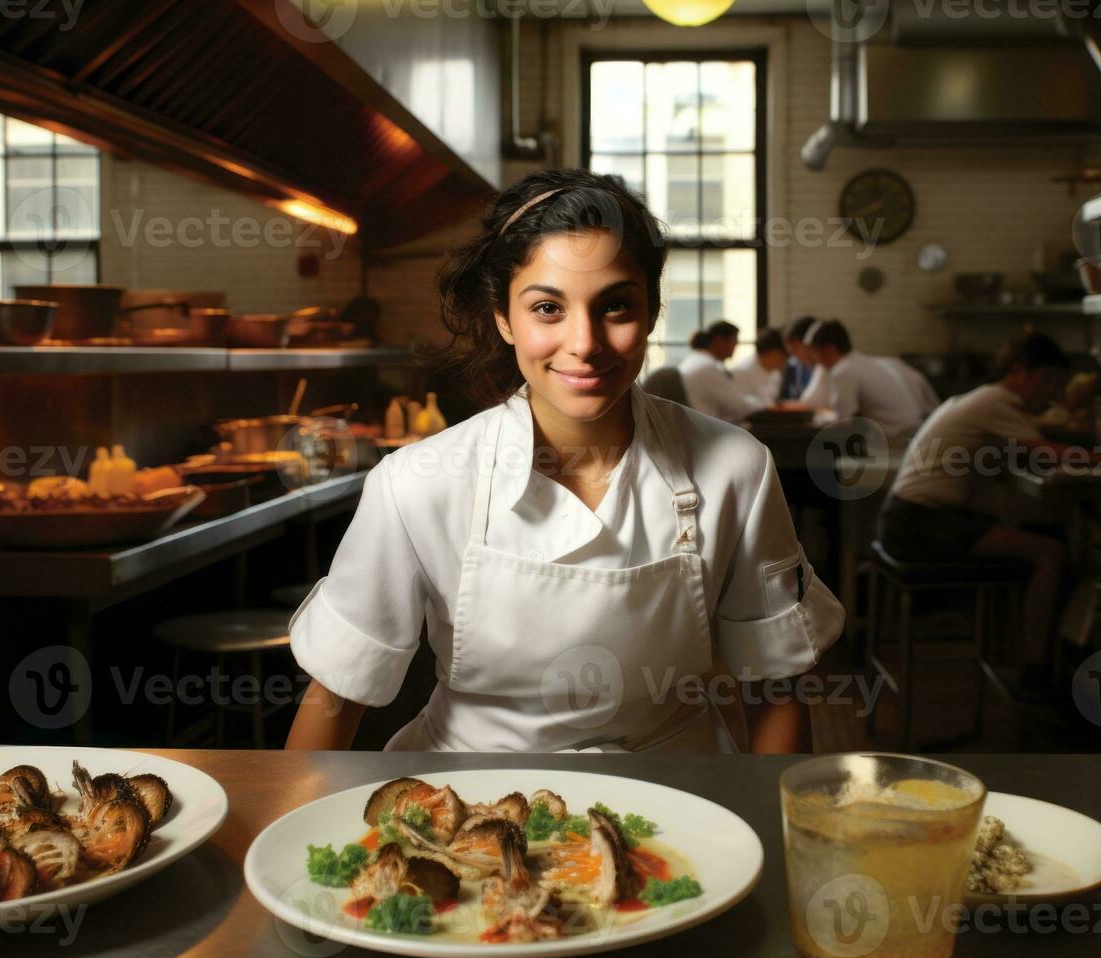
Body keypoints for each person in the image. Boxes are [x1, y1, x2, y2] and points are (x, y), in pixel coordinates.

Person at [286, 169, 845, 754]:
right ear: (504, 318)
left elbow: (775, 687)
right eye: (548, 308)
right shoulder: (416, 485)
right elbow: (338, 694)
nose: (584, 342)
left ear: (652, 312)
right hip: (465, 803)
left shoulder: (735, 468)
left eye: (616, 307)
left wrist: (760, 833)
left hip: (678, 803)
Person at [877, 333, 1074, 689]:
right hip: (921, 524)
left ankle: (1012, 653)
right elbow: (1050, 453)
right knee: (1050, 553)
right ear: (1018, 372)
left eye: (1057, 385)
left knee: (1031, 539)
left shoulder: (976, 399)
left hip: (906, 518)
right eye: (1047, 381)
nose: (1051, 393)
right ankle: (1035, 669)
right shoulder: (997, 402)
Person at [805, 320, 939, 440]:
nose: (813, 359)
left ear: (829, 348)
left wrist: (819, 418)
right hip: (922, 432)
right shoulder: (879, 362)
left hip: (898, 440)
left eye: (813, 351)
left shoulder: (843, 371)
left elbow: (843, 420)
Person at [678, 320, 768, 423]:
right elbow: (738, 407)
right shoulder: (708, 367)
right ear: (719, 340)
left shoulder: (696, 360)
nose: (736, 346)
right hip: (706, 429)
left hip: (697, 424)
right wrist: (764, 403)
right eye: (734, 341)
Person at [734, 326, 787, 405]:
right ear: (772, 353)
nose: (785, 360)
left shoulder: (775, 374)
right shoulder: (741, 372)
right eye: (783, 355)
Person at [783, 316, 816, 400]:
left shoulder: (826, 369)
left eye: (795, 351)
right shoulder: (793, 367)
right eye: (791, 353)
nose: (795, 358)